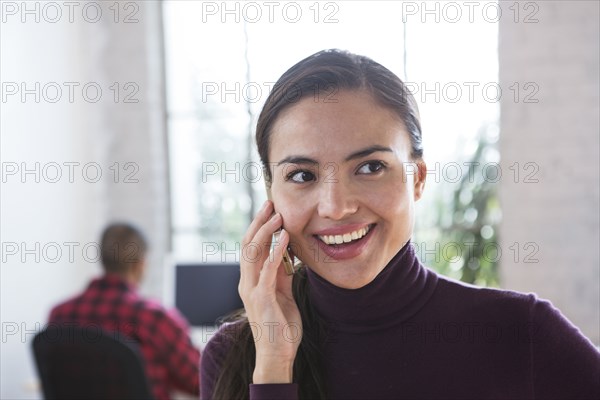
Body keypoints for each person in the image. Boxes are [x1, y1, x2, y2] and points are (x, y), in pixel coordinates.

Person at [200, 49, 600, 399]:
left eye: (370, 167)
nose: (336, 207)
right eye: (302, 175)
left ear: (418, 178)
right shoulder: (236, 357)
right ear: (272, 195)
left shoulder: (521, 334)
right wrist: (273, 368)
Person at [48, 223, 200, 400]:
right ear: (140, 264)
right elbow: (201, 380)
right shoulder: (154, 318)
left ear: (103, 258)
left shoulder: (59, 314)